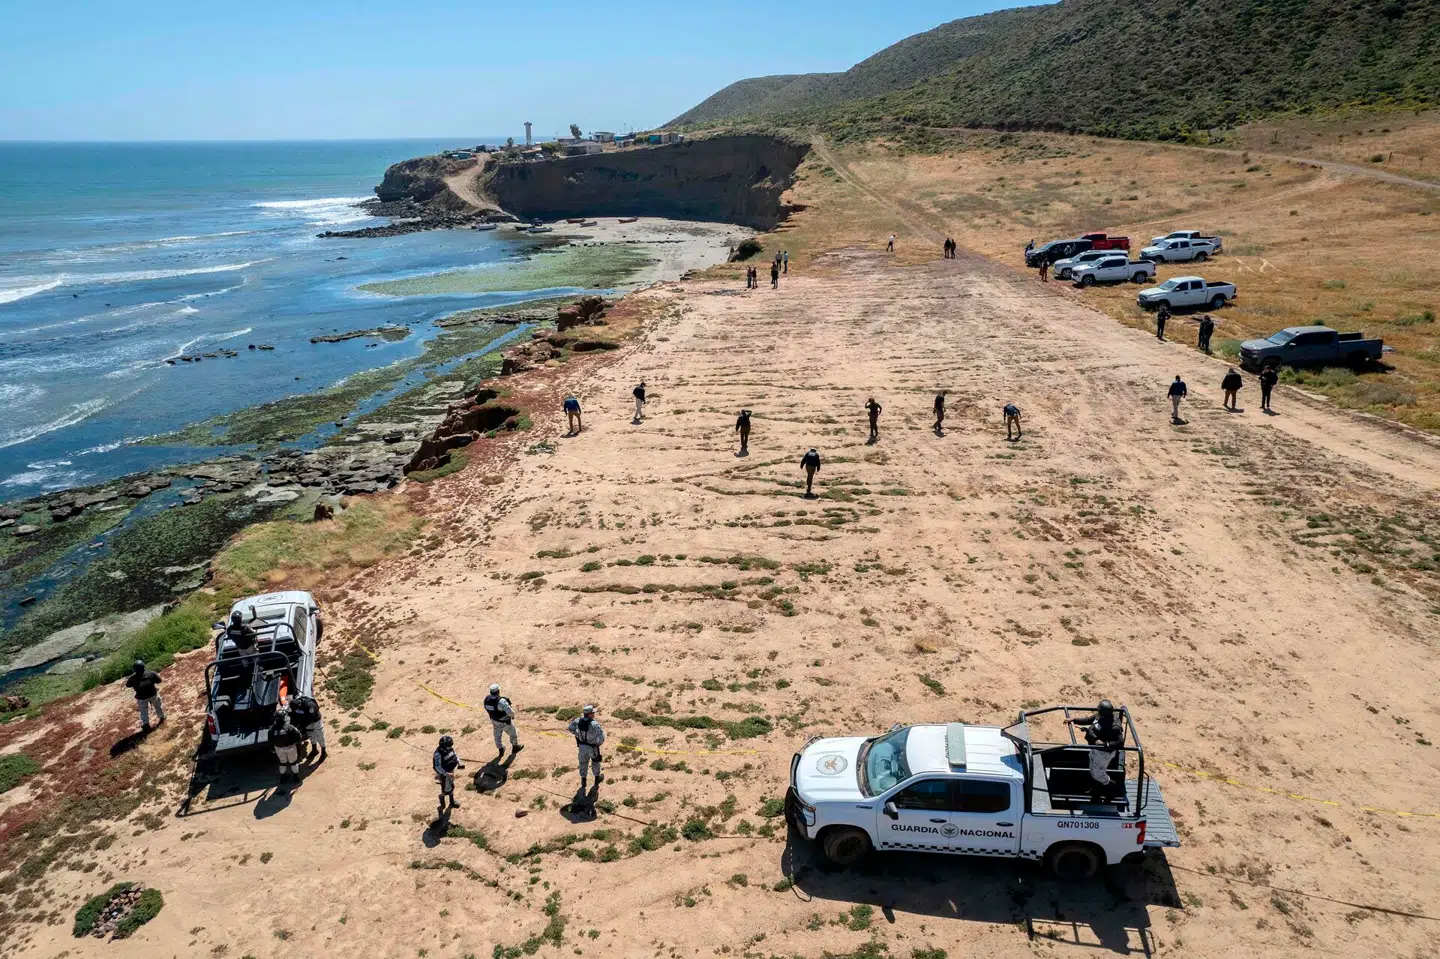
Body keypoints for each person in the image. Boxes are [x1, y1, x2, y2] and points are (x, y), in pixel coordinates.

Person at [1065, 700, 1126, 801]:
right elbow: (1089, 719)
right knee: (1093, 770)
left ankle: (1111, 786)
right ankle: (1096, 789)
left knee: (1098, 773)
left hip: (1104, 753)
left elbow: (1120, 742)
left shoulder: (1114, 726)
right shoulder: (1099, 716)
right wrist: (1074, 720)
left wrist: (1104, 744)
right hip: (1095, 749)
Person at [568, 705, 605, 790]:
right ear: (589, 714)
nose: (594, 714)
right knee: (595, 762)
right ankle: (596, 780)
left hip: (582, 747)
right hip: (592, 748)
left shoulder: (577, 721)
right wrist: (598, 743)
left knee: (583, 763)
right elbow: (601, 737)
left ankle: (583, 781)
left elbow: (570, 728)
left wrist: (578, 735)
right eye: (593, 712)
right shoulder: (594, 724)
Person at [125, 660, 165, 731]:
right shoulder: (151, 673)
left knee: (143, 711)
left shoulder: (133, 678)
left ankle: (146, 724)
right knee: (158, 706)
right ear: (144, 666)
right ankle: (162, 717)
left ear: (135, 669)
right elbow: (159, 681)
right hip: (153, 694)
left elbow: (128, 685)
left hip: (141, 697)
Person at [271, 707, 305, 785]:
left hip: (279, 748)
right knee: (293, 762)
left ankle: (283, 778)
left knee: (282, 763)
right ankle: (296, 777)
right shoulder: (289, 727)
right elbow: (299, 736)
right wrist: (295, 743)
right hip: (290, 748)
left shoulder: (272, 729)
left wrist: (273, 748)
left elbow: (270, 740)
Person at [288, 693, 326, 761]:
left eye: (297, 708)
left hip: (315, 721)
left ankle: (324, 752)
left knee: (319, 736)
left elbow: (310, 718)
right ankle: (314, 750)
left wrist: (303, 726)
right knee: (311, 736)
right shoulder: (295, 705)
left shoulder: (309, 705)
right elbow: (294, 714)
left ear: (299, 705)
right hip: (306, 722)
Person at [484, 683, 520, 755]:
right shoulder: (501, 701)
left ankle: (501, 749)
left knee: (497, 736)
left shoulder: (487, 699)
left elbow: (487, 708)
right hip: (504, 722)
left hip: (494, 721)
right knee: (512, 733)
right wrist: (512, 716)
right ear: (498, 691)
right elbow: (510, 712)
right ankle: (515, 747)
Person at [433, 734, 465, 810]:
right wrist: (446, 774)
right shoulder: (438, 754)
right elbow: (438, 767)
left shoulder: (449, 748)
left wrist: (459, 762)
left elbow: (455, 755)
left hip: (450, 771)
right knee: (446, 789)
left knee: (451, 785)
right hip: (444, 774)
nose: (450, 747)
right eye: (449, 746)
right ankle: (442, 799)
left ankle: (451, 801)